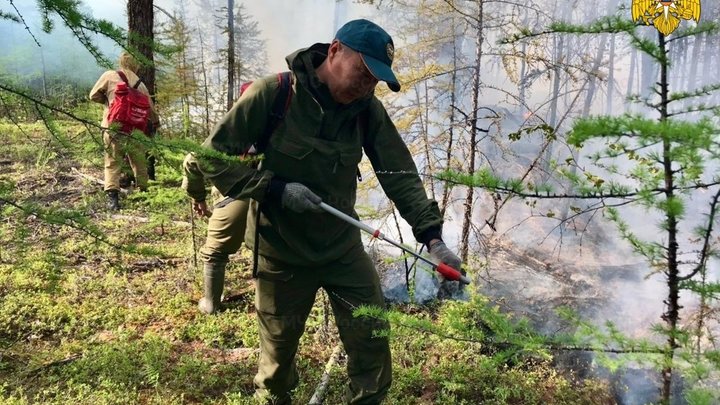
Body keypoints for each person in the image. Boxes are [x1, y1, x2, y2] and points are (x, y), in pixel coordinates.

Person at [194, 19, 463, 404]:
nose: (366, 86)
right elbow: (212, 158)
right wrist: (275, 189)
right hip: (281, 253)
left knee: (372, 339)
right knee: (276, 363)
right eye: (363, 72)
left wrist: (432, 238)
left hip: (341, 252)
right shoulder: (274, 94)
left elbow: (399, 173)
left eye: (375, 80)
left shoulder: (366, 110)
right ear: (335, 51)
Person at [89, 51, 160, 210]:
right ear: (136, 66)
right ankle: (144, 194)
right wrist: (156, 123)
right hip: (136, 128)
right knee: (138, 161)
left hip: (113, 126)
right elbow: (150, 109)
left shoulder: (109, 75)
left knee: (112, 161)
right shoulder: (140, 84)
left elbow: (92, 95)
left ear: (120, 62)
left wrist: (108, 102)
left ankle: (113, 200)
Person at [182, 152, 250, 314]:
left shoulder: (232, 132)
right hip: (282, 196)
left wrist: (198, 197)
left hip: (236, 195)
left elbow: (193, 159)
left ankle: (211, 305)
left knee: (215, 253)